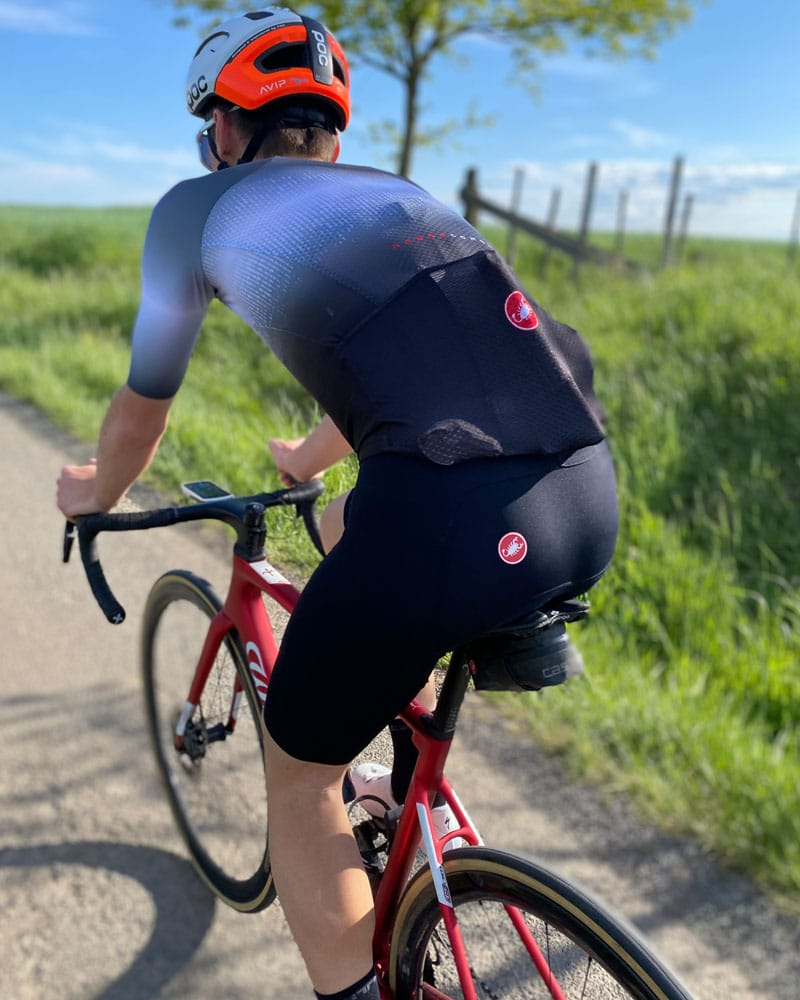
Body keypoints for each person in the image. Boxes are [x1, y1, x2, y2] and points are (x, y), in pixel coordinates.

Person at [57, 9, 618, 999]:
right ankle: (403, 791)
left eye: (208, 128)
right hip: (581, 491)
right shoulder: (400, 195)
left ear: (226, 128)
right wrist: (308, 456)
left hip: (449, 516)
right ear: (328, 134)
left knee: (301, 771)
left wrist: (94, 492)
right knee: (341, 528)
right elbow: (427, 362)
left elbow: (144, 404)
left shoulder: (195, 210)